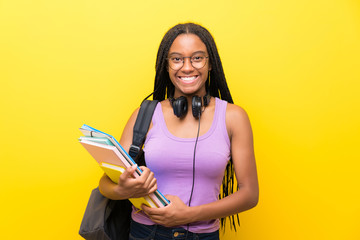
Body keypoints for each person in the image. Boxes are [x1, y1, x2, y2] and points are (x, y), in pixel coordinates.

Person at [99, 22, 259, 240]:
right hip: (146, 233)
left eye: (197, 57)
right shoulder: (144, 115)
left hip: (202, 236)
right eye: (177, 59)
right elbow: (105, 184)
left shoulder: (234, 117)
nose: (186, 67)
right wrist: (123, 190)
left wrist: (188, 215)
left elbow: (250, 194)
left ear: (210, 63)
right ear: (166, 65)